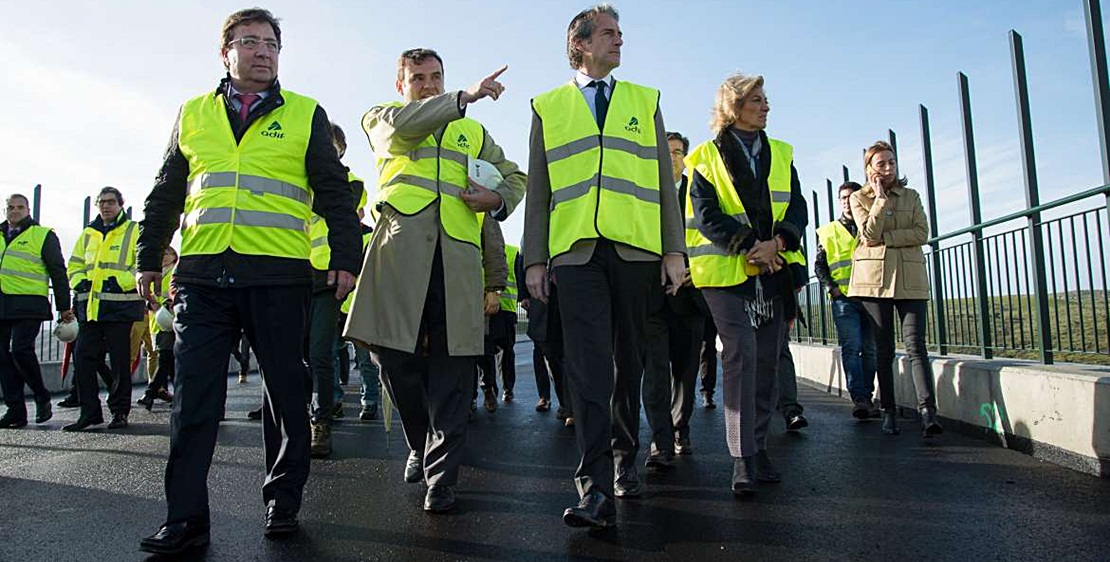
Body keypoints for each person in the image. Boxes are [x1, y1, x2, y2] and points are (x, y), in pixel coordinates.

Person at [137, 8, 361, 554]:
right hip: (202, 277)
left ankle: (282, 501)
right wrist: (149, 255)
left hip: (278, 276)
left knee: (287, 393)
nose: (262, 51)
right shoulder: (192, 113)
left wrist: (345, 257)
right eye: (250, 42)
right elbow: (168, 188)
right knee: (193, 400)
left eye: (271, 44)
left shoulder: (306, 113)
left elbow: (335, 193)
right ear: (226, 52)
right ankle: (185, 517)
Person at [524, 4, 686, 528]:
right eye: (610, 34)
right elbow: (538, 188)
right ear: (581, 44)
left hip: (636, 252)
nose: (620, 41)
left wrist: (674, 250)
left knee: (630, 364)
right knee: (588, 369)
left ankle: (625, 459)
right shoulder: (547, 106)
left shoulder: (646, 100)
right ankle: (593, 487)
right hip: (576, 256)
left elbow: (664, 184)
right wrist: (534, 259)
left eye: (620, 34)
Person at [344, 47, 525, 514]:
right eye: (419, 78)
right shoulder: (381, 117)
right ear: (401, 84)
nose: (429, 84)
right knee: (392, 359)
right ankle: (421, 442)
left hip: (458, 262)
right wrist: (463, 97)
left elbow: (515, 175)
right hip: (400, 259)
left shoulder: (472, 131)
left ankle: (442, 477)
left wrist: (497, 198)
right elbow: (405, 129)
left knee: (454, 368)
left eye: (436, 77)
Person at [685, 73, 808, 497]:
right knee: (741, 356)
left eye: (766, 98)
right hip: (726, 273)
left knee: (770, 360)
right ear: (734, 106)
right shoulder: (703, 157)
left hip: (774, 271)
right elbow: (705, 215)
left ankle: (758, 449)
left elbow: (797, 206)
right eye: (756, 99)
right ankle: (740, 457)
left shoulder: (782, 153)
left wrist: (777, 243)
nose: (766, 106)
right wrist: (750, 247)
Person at [849, 141, 943, 438]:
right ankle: (889, 410)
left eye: (892, 163)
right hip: (874, 282)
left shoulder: (911, 196)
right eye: (881, 164)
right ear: (869, 169)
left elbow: (921, 233)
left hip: (910, 279)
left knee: (917, 348)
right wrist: (878, 199)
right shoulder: (858, 198)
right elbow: (867, 234)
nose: (888, 169)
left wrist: (887, 238)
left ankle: (928, 412)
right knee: (884, 349)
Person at [642, 131, 709, 464]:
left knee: (685, 370)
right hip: (652, 296)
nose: (672, 158)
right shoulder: (643, 192)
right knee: (654, 372)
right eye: (666, 152)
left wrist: (692, 273)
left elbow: (709, 238)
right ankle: (660, 440)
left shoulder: (698, 193)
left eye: (678, 152)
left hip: (691, 295)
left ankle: (681, 427)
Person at [305, 121, 366, 457]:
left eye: (332, 144)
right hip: (294, 274)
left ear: (341, 149)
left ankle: (321, 421)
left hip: (328, 280)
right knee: (292, 354)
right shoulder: (296, 178)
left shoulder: (352, 183)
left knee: (320, 353)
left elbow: (324, 208)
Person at [64, 186, 146, 432]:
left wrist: (121, 282)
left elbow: (143, 264)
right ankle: (89, 412)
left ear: (121, 204)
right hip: (90, 306)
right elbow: (75, 262)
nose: (105, 206)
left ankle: (119, 411)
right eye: (101, 202)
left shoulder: (134, 230)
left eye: (111, 201)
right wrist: (78, 280)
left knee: (120, 361)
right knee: (84, 358)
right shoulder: (88, 233)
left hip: (119, 307)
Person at [0, 193, 72, 429]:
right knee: (2, 357)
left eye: (20, 207)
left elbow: (58, 271)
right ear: (5, 210)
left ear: (28, 210)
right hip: (2, 305)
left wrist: (64, 307)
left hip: (30, 304)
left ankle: (41, 396)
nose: (15, 211)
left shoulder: (43, 235)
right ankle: (15, 410)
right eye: (10, 207)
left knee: (20, 349)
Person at [815, 181, 879, 419]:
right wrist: (831, 288)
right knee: (851, 348)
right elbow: (819, 264)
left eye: (850, 196)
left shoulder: (872, 226)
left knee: (870, 350)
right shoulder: (828, 231)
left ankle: (868, 395)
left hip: (871, 297)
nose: (846, 201)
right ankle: (860, 398)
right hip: (844, 300)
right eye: (842, 197)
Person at [137, 247, 178, 411]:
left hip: (173, 320)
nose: (164, 257)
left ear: (174, 256)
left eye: (167, 254)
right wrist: (151, 303)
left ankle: (150, 392)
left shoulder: (176, 271)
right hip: (159, 320)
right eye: (162, 254)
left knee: (166, 358)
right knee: (169, 361)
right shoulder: (155, 273)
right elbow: (149, 295)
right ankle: (178, 395)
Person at [484, 242, 519, 404]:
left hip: (505, 309)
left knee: (503, 350)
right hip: (488, 308)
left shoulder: (513, 252)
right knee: (488, 350)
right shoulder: (480, 246)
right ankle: (493, 388)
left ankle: (505, 388)